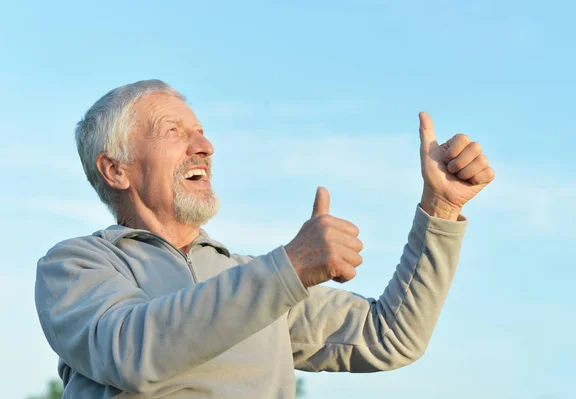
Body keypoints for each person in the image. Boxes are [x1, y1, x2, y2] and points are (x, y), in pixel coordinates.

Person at [35, 79, 495, 399]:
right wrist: (288, 269)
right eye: (173, 132)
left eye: (201, 132)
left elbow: (391, 335)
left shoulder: (253, 279)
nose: (205, 146)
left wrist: (441, 209)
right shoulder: (76, 264)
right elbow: (131, 354)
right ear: (115, 168)